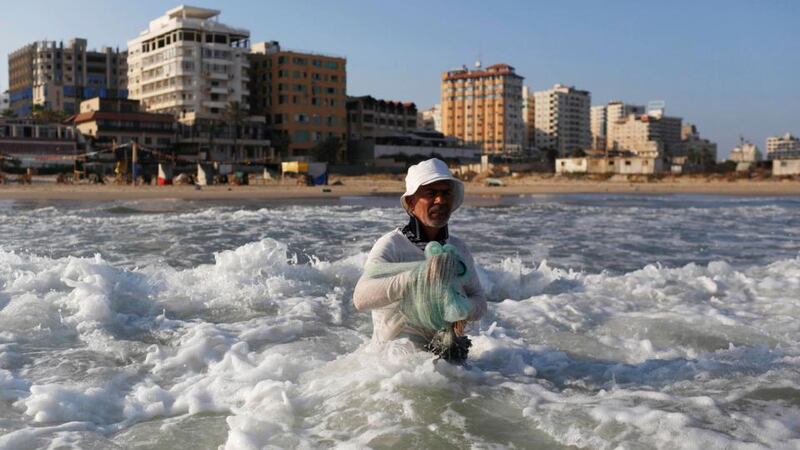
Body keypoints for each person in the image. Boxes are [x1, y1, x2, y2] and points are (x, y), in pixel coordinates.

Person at [353, 158, 487, 358]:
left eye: (446, 193)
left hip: (443, 362)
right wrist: (417, 278)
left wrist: (462, 308)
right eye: (431, 193)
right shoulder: (392, 245)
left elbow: (479, 301)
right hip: (394, 368)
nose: (440, 200)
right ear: (410, 203)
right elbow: (361, 298)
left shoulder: (457, 248)